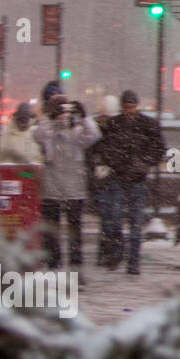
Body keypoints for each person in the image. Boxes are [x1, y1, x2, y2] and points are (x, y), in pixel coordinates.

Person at [94, 90, 165, 273]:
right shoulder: (115, 124)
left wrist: (143, 163)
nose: (129, 111)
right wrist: (116, 161)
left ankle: (133, 262)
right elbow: (103, 147)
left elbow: (158, 148)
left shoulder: (146, 125)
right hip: (120, 176)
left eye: (131, 107)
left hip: (135, 178)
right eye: (126, 107)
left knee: (134, 222)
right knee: (116, 220)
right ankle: (120, 254)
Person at [33, 95, 101, 272]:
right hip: (51, 190)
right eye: (59, 110)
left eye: (65, 110)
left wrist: (85, 117)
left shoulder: (77, 132)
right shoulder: (47, 132)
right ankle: (53, 266)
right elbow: (38, 135)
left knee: (74, 233)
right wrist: (49, 118)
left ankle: (76, 267)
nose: (63, 115)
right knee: (51, 233)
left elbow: (94, 135)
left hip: (74, 190)